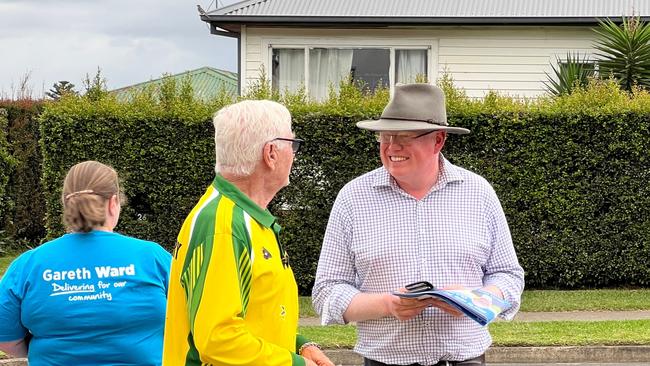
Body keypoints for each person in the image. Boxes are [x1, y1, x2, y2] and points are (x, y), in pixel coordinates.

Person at [312, 83, 525, 366]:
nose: (392, 147)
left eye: (405, 136)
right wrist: (388, 305)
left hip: (466, 359)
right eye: (385, 136)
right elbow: (327, 291)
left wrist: (473, 301)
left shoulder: (478, 192)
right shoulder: (353, 198)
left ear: (438, 140)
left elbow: (508, 276)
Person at [162, 100, 334, 366]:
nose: (295, 154)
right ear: (271, 153)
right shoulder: (224, 225)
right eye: (293, 144)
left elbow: (258, 314)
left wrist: (300, 346)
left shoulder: (245, 218)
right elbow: (218, 339)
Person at [0, 160, 171, 365]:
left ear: (66, 204)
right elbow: (191, 319)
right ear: (113, 202)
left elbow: (7, 341)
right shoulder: (152, 258)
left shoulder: (27, 266)